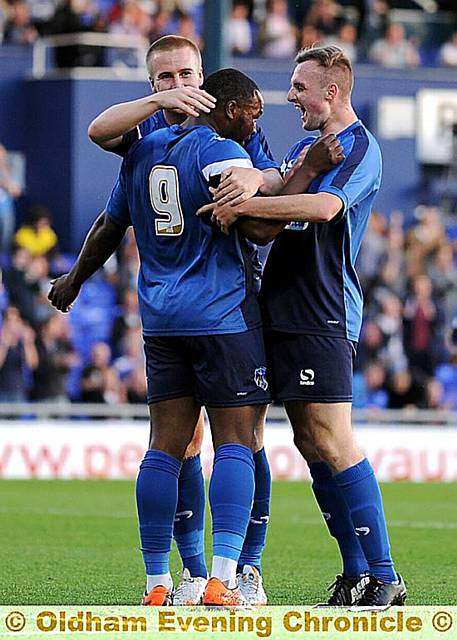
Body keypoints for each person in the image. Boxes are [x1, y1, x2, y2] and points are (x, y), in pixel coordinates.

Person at [49, 68, 276, 608]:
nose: (254, 121)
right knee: (236, 444)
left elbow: (109, 225)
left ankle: (157, 583)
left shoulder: (142, 152)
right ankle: (221, 581)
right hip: (221, 318)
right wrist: (279, 188)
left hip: (161, 319)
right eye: (251, 111)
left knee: (163, 450)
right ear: (221, 106)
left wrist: (74, 281)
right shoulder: (222, 151)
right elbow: (263, 228)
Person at [202, 46, 406, 609]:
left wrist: (245, 208)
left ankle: (386, 574)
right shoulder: (303, 147)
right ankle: (355, 572)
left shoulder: (363, 147)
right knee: (309, 440)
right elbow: (280, 180)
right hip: (281, 306)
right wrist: (252, 185)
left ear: (331, 91)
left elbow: (320, 208)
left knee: (334, 437)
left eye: (298, 86)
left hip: (324, 308)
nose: (289, 96)